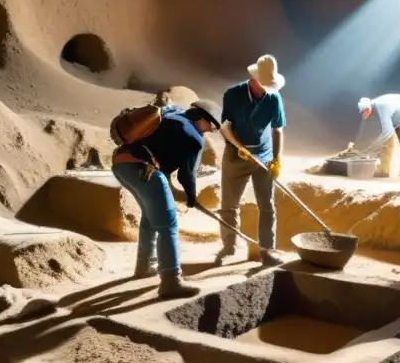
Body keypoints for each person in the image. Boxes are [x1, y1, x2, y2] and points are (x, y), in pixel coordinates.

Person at [112, 99, 222, 299]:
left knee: (150, 216)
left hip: (121, 164)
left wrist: (182, 195)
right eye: (212, 126)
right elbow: (185, 176)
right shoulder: (193, 137)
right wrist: (190, 197)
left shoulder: (173, 113)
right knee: (168, 224)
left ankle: (145, 266)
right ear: (202, 119)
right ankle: (171, 281)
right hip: (143, 169)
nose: (211, 131)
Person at [216, 54, 286, 267]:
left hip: (263, 156)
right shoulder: (232, 95)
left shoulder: (273, 98)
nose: (267, 89)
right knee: (229, 204)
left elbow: (277, 129)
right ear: (254, 79)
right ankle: (229, 246)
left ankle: (267, 249)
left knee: (267, 205)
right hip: (236, 155)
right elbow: (225, 126)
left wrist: (276, 158)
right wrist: (239, 147)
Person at [358, 94, 400, 177]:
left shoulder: (381, 108)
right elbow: (364, 130)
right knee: (386, 144)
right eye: (362, 112)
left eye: (366, 111)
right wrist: (357, 147)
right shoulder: (368, 110)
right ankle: (384, 171)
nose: (365, 114)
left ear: (369, 107)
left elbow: (387, 132)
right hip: (397, 117)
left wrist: (374, 145)